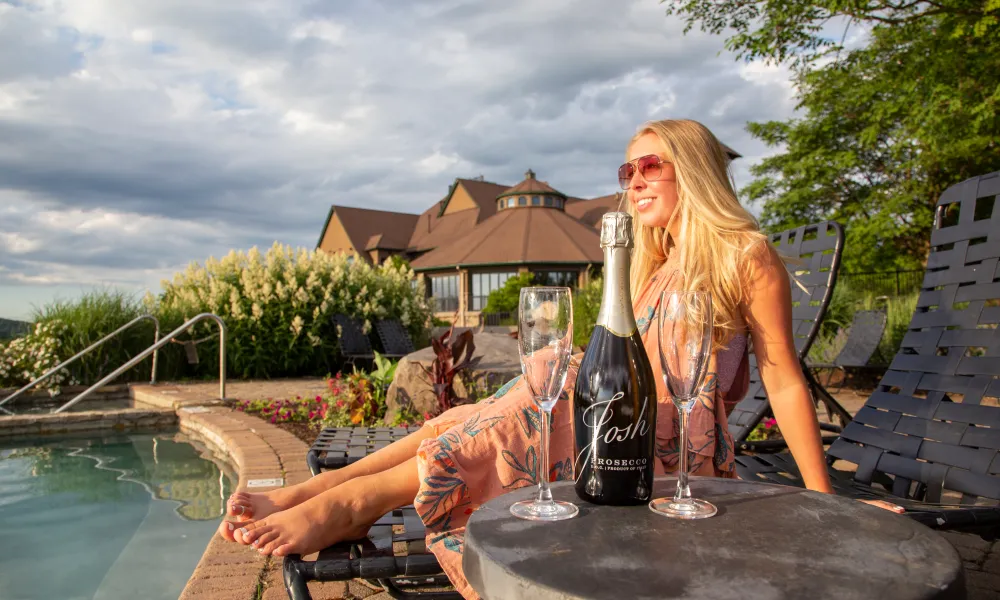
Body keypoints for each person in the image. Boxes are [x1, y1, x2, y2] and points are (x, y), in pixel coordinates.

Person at [217, 119, 904, 599]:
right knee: (466, 418)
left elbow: (784, 375)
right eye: (625, 169)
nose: (633, 180)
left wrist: (823, 500)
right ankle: (319, 495)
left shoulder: (744, 256)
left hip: (666, 449)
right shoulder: (649, 263)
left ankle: (355, 501)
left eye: (650, 165)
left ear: (691, 170)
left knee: (511, 415)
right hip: (606, 422)